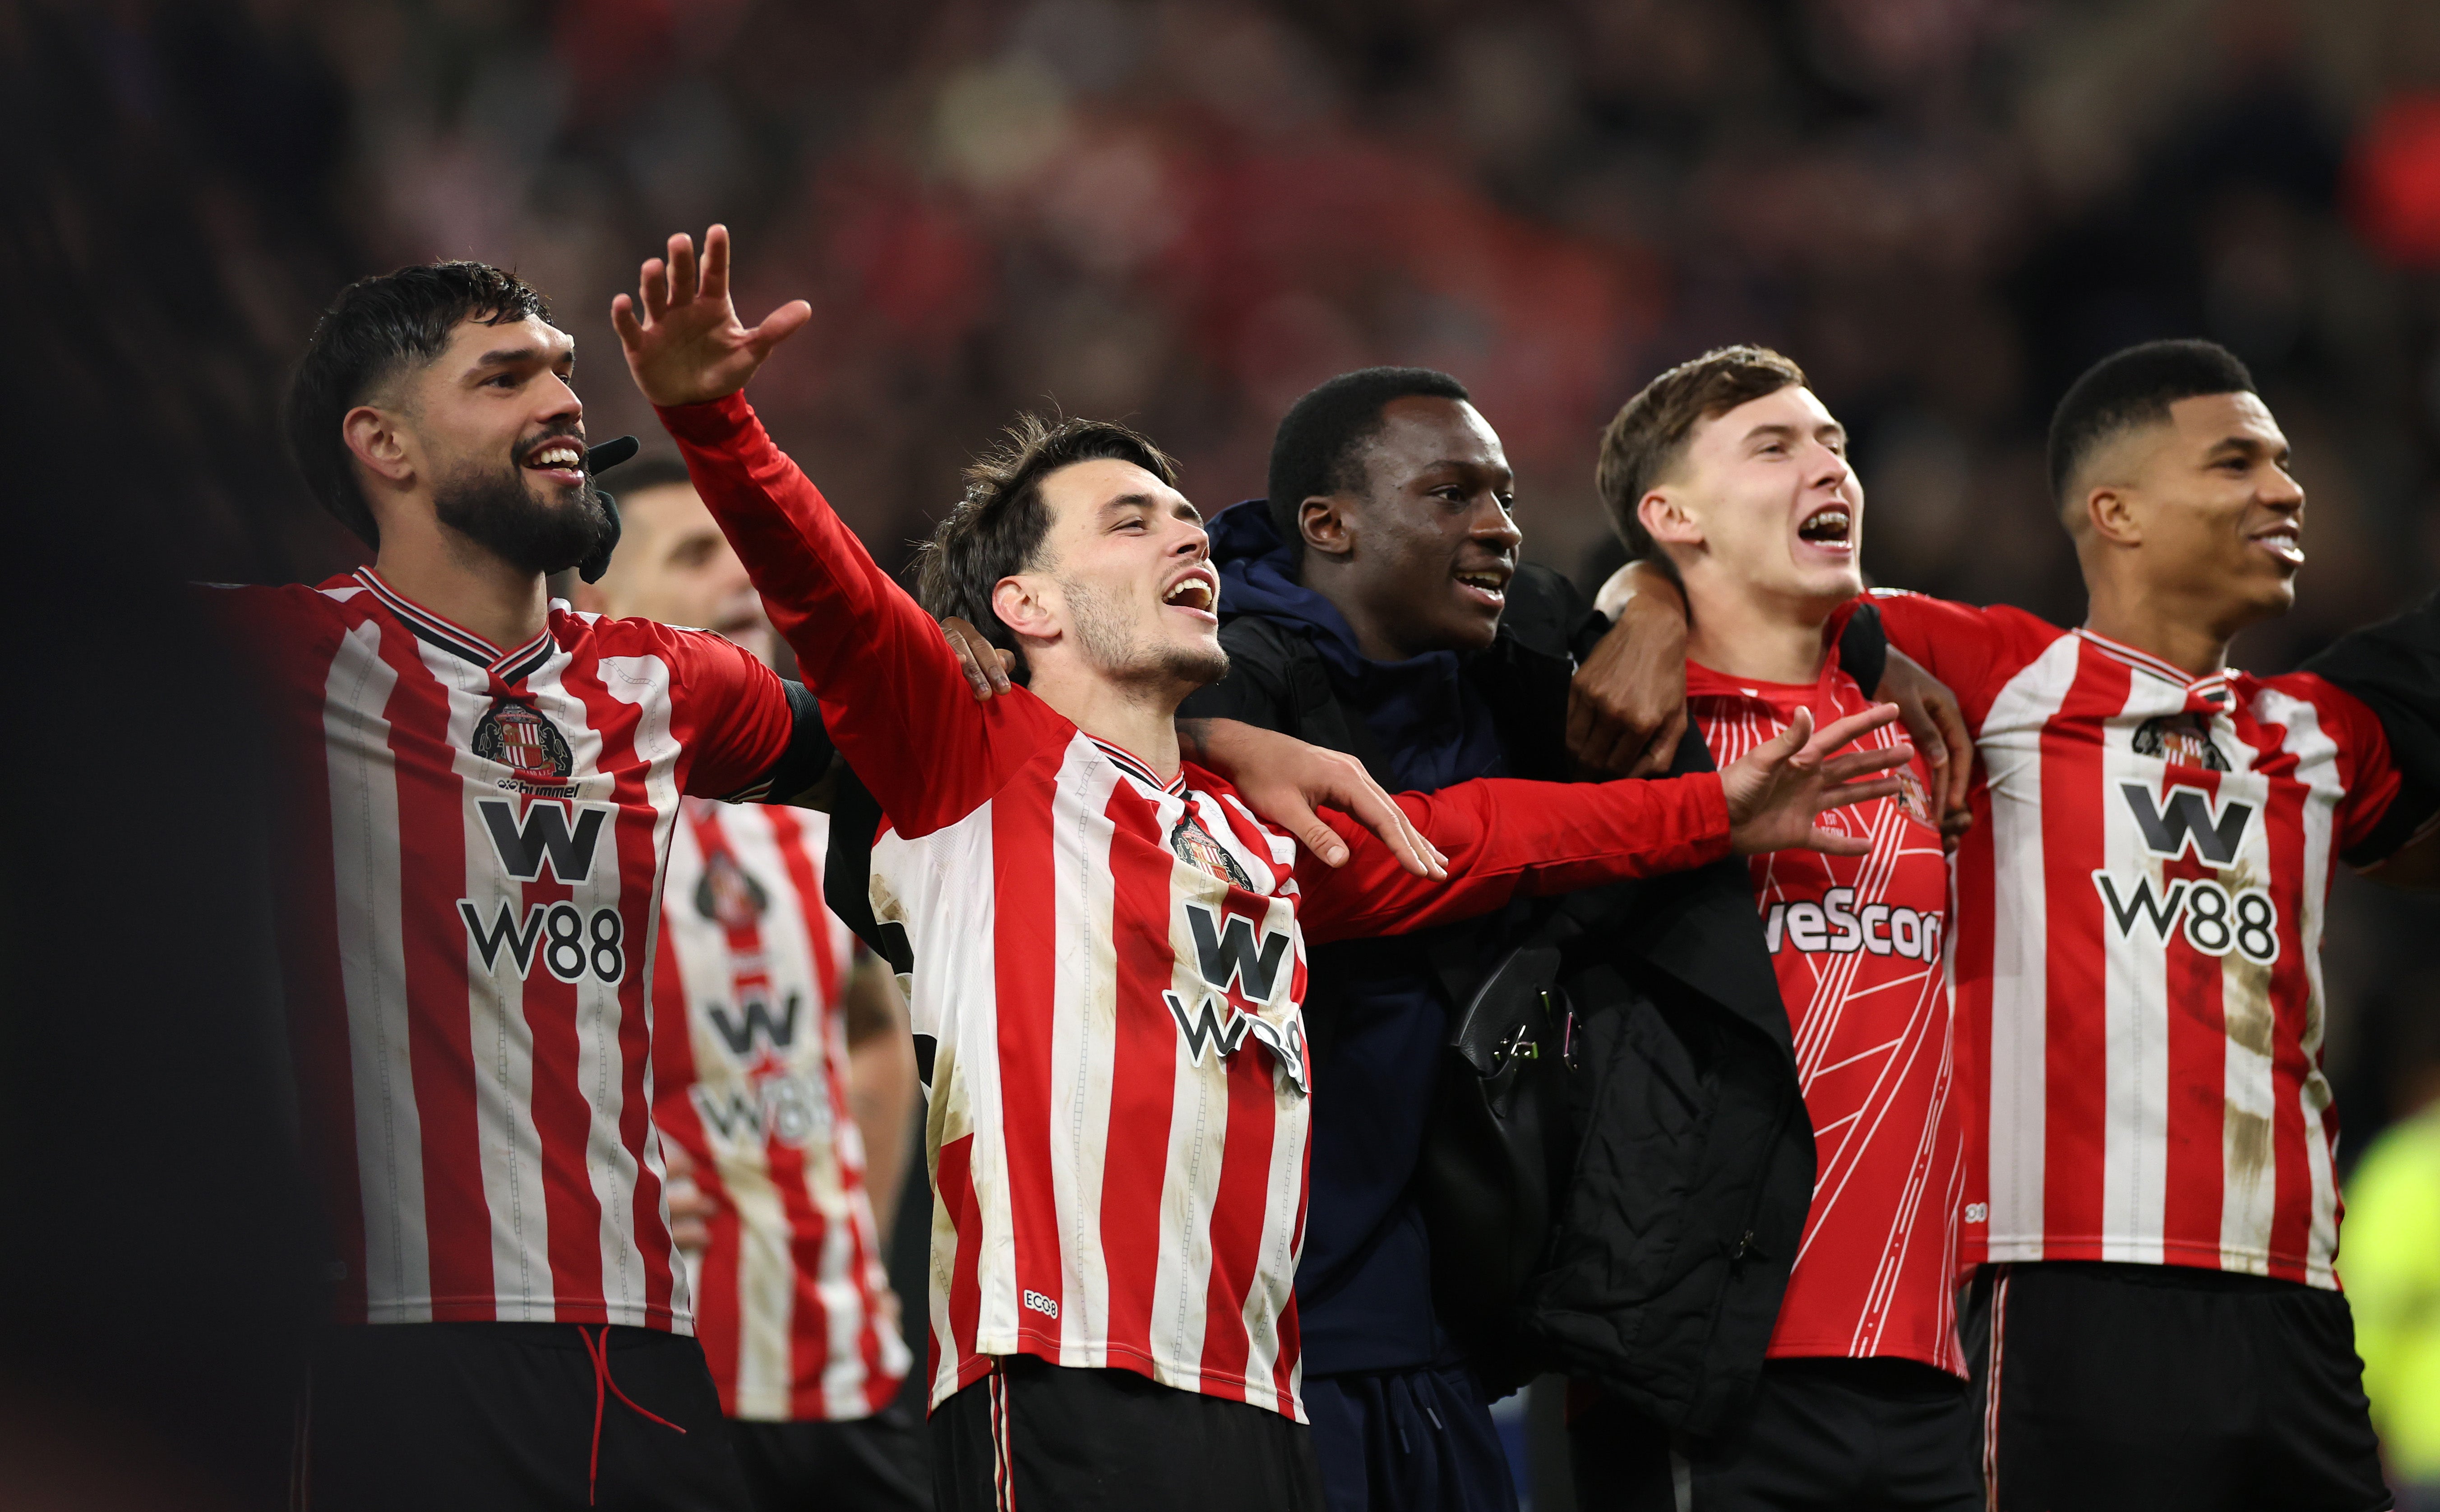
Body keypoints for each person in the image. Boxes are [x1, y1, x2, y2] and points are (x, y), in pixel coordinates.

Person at [614, 224, 1913, 1512]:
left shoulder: (1255, 834)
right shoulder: (971, 765)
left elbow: (1483, 838)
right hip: (1060, 1372)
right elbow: (837, 604)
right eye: (1131, 523)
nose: (1187, 541)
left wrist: (1715, 812)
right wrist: (716, 422)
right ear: (1028, 606)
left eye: (1187, 520)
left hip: (1259, 1391)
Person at [1599, 337, 2440, 1512]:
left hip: (2299, 1302)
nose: (2286, 490)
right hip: (2058, 1293)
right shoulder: (2002, 676)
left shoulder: (2315, 731)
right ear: (2118, 510)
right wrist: (1638, 601)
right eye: (2239, 462)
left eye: (2286, 463)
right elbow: (1723, 580)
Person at [1160, 365, 1898, 1512]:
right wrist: (1206, 731)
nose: (1498, 527)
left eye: (1503, 495)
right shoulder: (1217, 669)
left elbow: (1715, 600)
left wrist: (1650, 597)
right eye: (1452, 496)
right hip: (1255, 1324)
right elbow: (1399, 860)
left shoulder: (1508, 662)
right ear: (1329, 523)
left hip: (1444, 1328)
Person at [1571, 347, 1976, 1509]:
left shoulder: (1920, 732)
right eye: (1775, 446)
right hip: (1702, 1360)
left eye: (1835, 444)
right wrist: (1635, 594)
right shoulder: (1619, 722)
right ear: (1671, 516)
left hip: (1923, 1359)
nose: (1827, 467)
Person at [570, 456, 930, 1510]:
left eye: (739, 554)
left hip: (846, 1361)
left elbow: (870, 1020)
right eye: (693, 555)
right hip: (663, 1380)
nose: (739, 580)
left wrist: (853, 1194)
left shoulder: (817, 804)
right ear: (599, 602)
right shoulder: (577, 816)